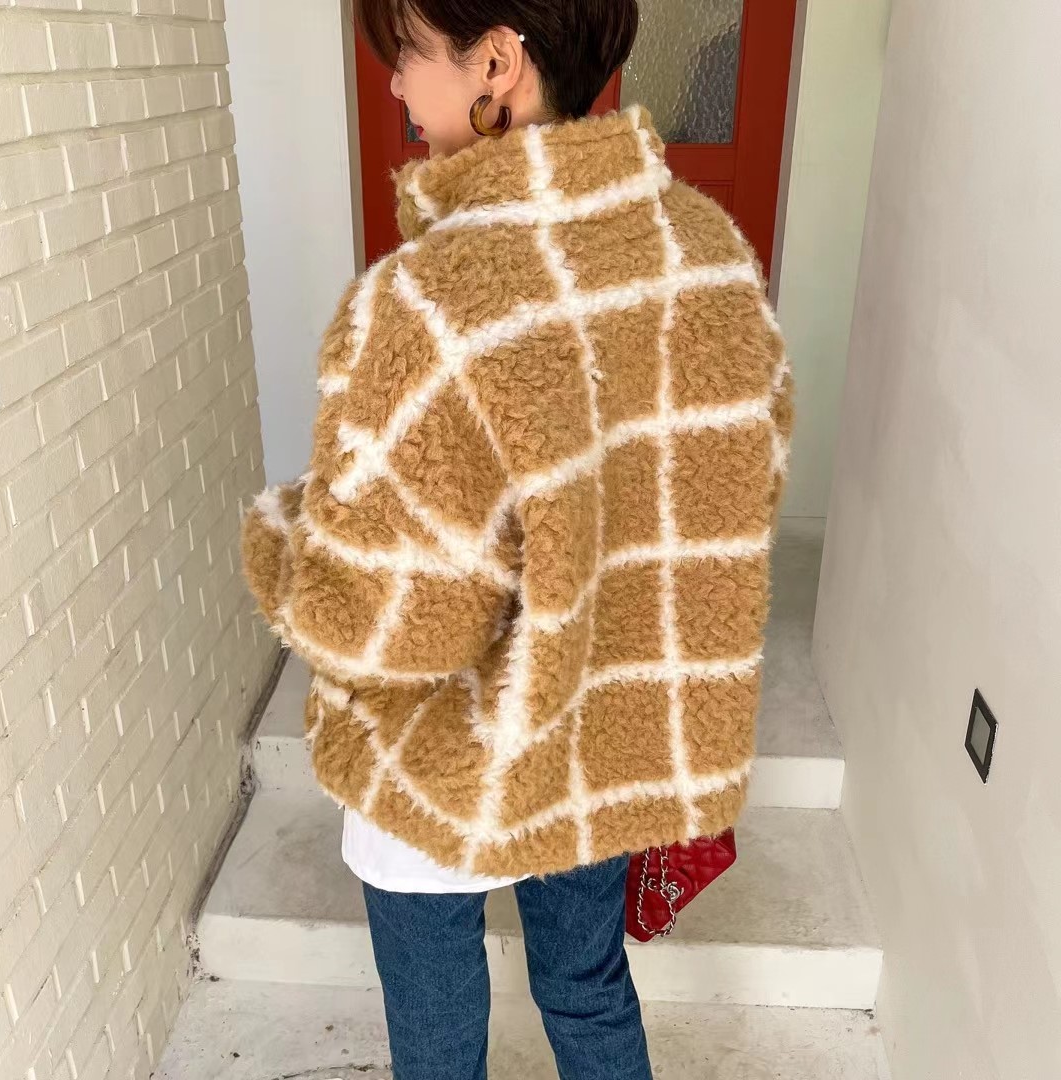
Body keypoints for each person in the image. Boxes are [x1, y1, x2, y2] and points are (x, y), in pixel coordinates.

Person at [241, 1, 793, 1076]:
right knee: (587, 991)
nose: (395, 85)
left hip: (436, 760)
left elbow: (382, 620)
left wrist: (282, 537)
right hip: (599, 733)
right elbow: (732, 501)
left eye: (406, 53)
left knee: (438, 1034)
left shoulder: (428, 302)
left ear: (495, 61)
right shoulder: (706, 257)